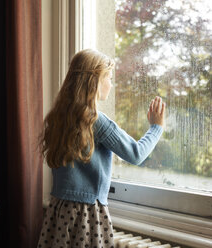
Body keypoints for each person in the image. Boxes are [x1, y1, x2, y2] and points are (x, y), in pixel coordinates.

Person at [37, 49, 165, 248]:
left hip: (59, 210)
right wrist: (156, 128)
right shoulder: (96, 121)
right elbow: (136, 154)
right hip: (86, 216)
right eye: (109, 78)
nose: (111, 85)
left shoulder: (58, 117)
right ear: (95, 81)